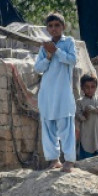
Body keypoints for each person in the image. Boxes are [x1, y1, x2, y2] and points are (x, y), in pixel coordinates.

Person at [34, 12, 78, 172]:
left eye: (57, 25)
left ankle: (69, 161)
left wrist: (57, 51)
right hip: (47, 92)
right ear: (47, 28)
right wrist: (48, 55)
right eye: (50, 26)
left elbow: (73, 60)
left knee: (66, 127)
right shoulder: (44, 46)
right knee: (48, 126)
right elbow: (38, 68)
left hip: (63, 93)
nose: (54, 29)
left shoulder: (69, 42)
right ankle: (54, 160)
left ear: (63, 27)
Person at [74, 74, 98, 159]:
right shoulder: (79, 102)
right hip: (86, 137)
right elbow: (79, 117)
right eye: (87, 87)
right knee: (86, 162)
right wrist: (85, 113)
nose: (90, 90)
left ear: (96, 87)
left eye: (93, 87)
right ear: (82, 88)